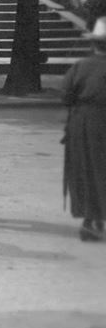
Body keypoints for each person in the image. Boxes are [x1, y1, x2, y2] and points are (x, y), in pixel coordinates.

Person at [62, 16, 106, 241]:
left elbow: (66, 95)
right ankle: (98, 219)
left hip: (81, 124)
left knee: (84, 169)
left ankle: (90, 219)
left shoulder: (80, 66)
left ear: (94, 44)